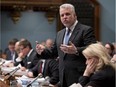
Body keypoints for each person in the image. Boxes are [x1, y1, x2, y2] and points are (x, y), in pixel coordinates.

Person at [36, 3, 96, 87]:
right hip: (63, 75)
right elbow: (53, 53)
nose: (64, 17)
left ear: (75, 15)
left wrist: (76, 50)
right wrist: (42, 51)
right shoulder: (60, 33)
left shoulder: (86, 30)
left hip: (80, 76)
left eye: (67, 14)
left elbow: (94, 49)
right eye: (62, 15)